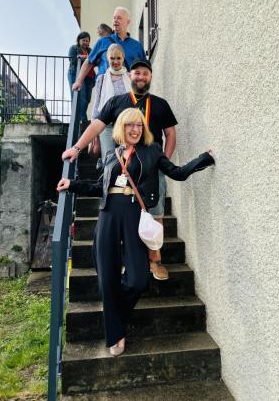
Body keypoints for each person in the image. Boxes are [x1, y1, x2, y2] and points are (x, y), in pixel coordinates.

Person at [57, 108, 215, 357]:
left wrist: (203, 159)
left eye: (139, 126)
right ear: (121, 127)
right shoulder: (112, 154)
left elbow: (177, 173)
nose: (135, 129)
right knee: (107, 277)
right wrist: (72, 184)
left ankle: (114, 317)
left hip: (134, 215)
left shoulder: (152, 151)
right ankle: (115, 334)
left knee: (138, 280)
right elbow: (101, 187)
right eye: (130, 125)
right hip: (108, 214)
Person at [62, 59, 177, 281]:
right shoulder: (116, 102)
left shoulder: (161, 104)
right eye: (137, 73)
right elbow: (96, 124)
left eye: (145, 73)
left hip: (151, 170)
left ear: (150, 77)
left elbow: (170, 134)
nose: (141, 77)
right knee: (123, 217)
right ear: (129, 76)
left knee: (155, 213)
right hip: (123, 170)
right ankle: (129, 261)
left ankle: (155, 261)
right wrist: (77, 148)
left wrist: (163, 163)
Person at [72, 6, 146, 89]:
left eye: (119, 18)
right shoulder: (103, 41)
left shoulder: (137, 46)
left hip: (128, 90)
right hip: (105, 88)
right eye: (114, 18)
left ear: (127, 22)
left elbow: (144, 70)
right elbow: (89, 62)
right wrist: (79, 81)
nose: (115, 20)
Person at [92, 43, 131, 163]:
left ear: (123, 58)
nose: (115, 61)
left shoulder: (131, 77)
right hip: (106, 125)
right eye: (112, 58)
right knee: (108, 160)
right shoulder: (101, 79)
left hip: (127, 124)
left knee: (127, 160)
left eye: (118, 58)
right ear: (107, 59)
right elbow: (96, 106)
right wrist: (94, 134)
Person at [67, 31, 93, 122]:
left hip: (89, 76)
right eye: (84, 40)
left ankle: (82, 116)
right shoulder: (74, 48)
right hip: (76, 74)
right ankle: (82, 119)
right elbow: (73, 60)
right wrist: (86, 58)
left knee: (87, 99)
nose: (86, 42)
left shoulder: (90, 50)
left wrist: (83, 57)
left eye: (87, 41)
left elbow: (95, 60)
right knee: (80, 97)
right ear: (79, 40)